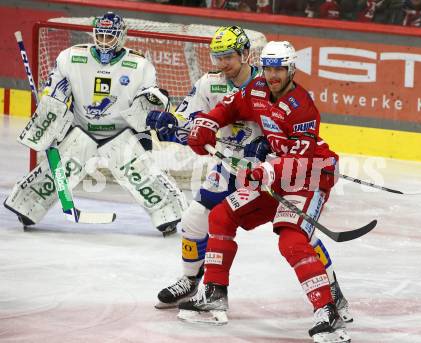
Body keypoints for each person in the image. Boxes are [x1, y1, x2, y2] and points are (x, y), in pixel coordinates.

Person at [148, 28, 353, 326]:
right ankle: (202, 287)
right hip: (239, 171)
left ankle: (331, 298)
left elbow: (299, 154)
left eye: (279, 69)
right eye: (269, 68)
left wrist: (267, 164)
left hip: (288, 175)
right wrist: (196, 125)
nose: (272, 75)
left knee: (297, 239)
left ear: (245, 54)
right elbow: (223, 110)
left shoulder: (300, 105)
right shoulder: (242, 86)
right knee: (206, 218)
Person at [4, 12, 187, 236]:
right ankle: (26, 206)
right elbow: (56, 93)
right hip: (81, 129)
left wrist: (154, 115)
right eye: (100, 35)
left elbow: (146, 101)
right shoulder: (71, 57)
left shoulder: (140, 66)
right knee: (60, 169)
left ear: (121, 37)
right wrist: (51, 115)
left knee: (140, 174)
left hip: (121, 132)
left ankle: (167, 214)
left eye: (109, 37)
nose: (103, 41)